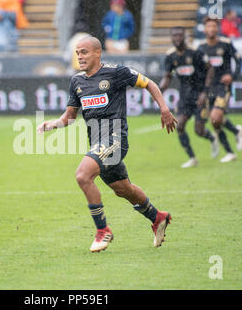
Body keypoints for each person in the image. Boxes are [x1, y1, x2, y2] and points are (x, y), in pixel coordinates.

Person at [37, 36, 177, 253]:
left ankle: (103, 231)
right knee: (124, 189)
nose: (80, 57)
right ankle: (158, 217)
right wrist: (53, 124)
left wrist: (164, 108)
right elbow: (69, 117)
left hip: (115, 139)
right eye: (77, 53)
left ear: (97, 52)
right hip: (97, 143)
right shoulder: (77, 81)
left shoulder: (116, 72)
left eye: (84, 52)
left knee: (83, 176)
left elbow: (149, 83)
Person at [159, 27, 219, 168]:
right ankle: (192, 158)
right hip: (185, 97)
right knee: (179, 126)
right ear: (171, 38)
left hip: (200, 95)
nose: (177, 38)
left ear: (184, 36)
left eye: (180, 35)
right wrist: (158, 89)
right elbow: (167, 77)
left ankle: (212, 138)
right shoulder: (170, 56)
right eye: (175, 36)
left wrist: (205, 92)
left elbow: (210, 69)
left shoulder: (195, 52)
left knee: (199, 130)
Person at [198, 17, 242, 163]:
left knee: (215, 117)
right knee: (215, 122)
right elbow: (200, 70)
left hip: (223, 87)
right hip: (209, 88)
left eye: (214, 26)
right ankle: (232, 145)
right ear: (205, 29)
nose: (211, 29)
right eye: (209, 26)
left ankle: (233, 141)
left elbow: (239, 60)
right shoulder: (201, 47)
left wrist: (232, 75)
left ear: (217, 29)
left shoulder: (225, 44)